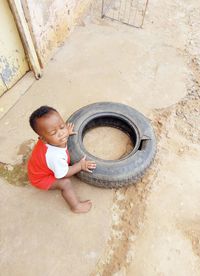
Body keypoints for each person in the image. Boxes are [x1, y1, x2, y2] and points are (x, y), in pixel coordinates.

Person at [27, 106, 96, 213]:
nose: (61, 133)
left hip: (39, 166)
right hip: (41, 178)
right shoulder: (54, 156)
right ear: (43, 139)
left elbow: (59, 133)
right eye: (53, 133)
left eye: (62, 126)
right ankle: (76, 206)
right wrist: (80, 166)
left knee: (59, 136)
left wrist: (66, 131)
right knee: (65, 183)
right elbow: (63, 174)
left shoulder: (51, 140)